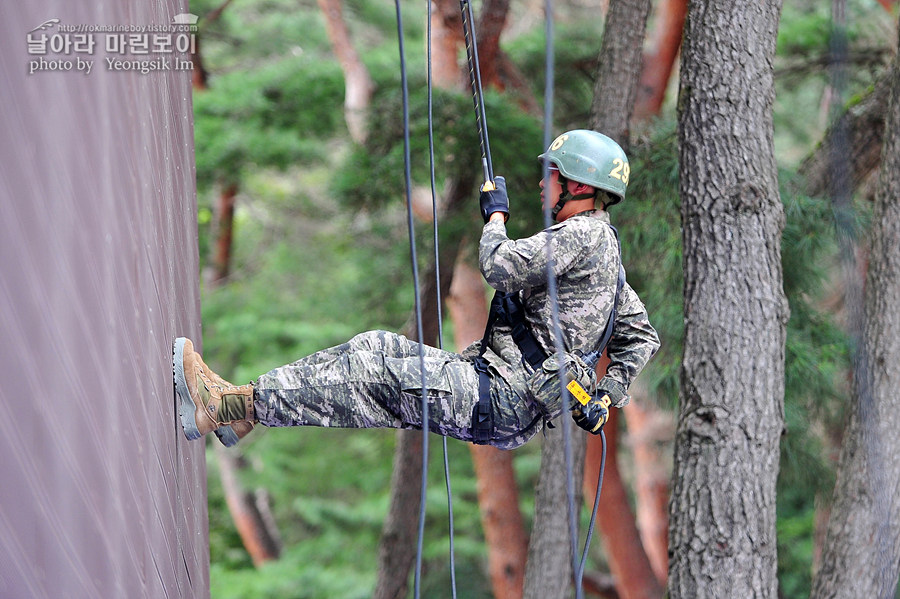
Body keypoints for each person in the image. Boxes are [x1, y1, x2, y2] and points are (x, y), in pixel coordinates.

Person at [174, 130, 659, 450]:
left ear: (577, 185)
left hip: (499, 394)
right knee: (374, 348)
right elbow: (641, 336)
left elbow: (501, 267)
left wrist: (495, 216)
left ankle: (231, 404)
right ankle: (239, 409)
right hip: (495, 391)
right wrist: (608, 392)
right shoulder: (606, 254)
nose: (541, 182)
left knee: (375, 369)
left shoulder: (583, 236)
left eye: (551, 173)